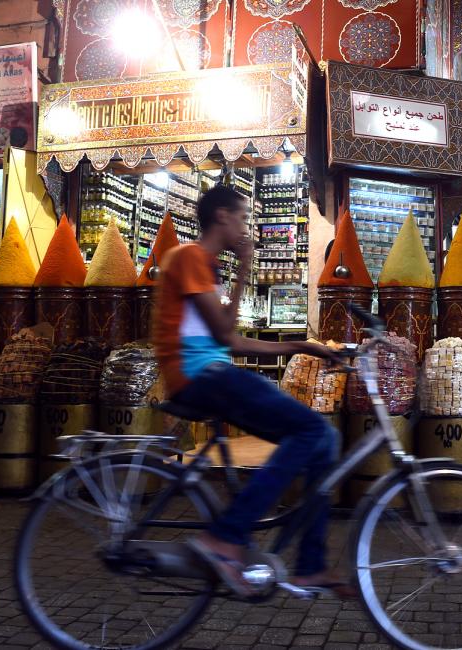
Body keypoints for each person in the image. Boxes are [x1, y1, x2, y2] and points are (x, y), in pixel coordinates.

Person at [152, 185, 348, 597]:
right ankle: (225, 538)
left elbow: (235, 343)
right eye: (242, 216)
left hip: (213, 370)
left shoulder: (207, 269)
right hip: (197, 376)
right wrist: (245, 266)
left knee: (325, 440)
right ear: (222, 216)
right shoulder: (189, 258)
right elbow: (226, 335)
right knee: (312, 432)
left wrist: (302, 346)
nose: (245, 226)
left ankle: (311, 565)